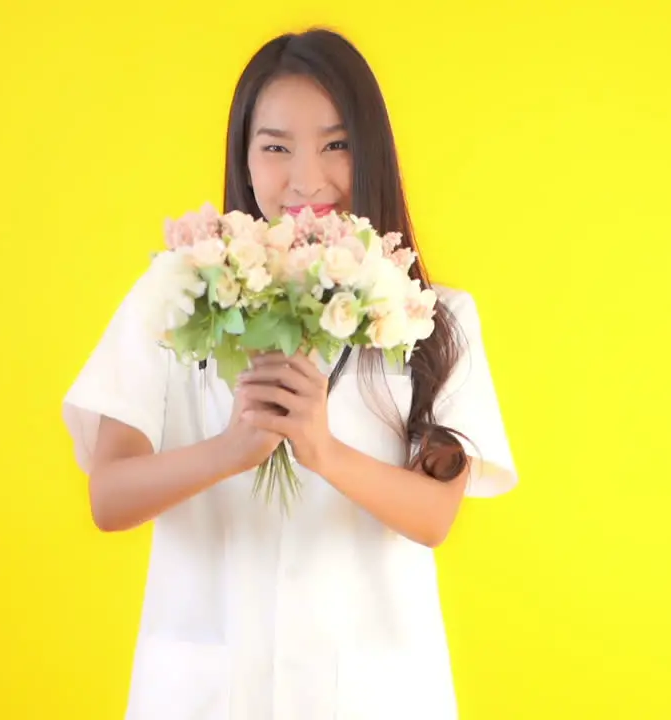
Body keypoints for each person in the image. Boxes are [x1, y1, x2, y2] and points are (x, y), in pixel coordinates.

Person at [61, 27, 517, 720]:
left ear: (373, 152)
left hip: (374, 694)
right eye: (276, 147)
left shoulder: (431, 314)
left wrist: (322, 450)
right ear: (244, 158)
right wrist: (231, 450)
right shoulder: (175, 293)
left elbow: (434, 517)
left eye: (336, 144)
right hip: (210, 691)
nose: (306, 179)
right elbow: (110, 496)